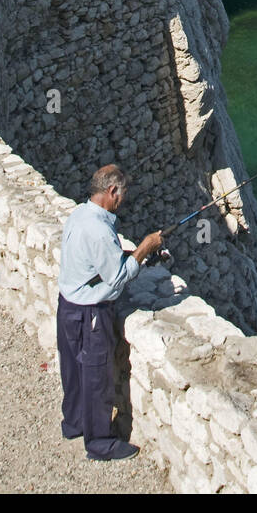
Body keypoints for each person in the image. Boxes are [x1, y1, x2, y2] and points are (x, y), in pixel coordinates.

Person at [57, 164, 162, 461]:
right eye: (123, 193)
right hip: (91, 313)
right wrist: (144, 248)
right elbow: (116, 278)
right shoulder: (100, 228)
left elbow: (97, 260)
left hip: (68, 306)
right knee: (96, 377)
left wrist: (127, 255)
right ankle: (100, 442)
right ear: (112, 190)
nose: (124, 199)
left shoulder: (80, 215)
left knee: (73, 370)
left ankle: (74, 423)